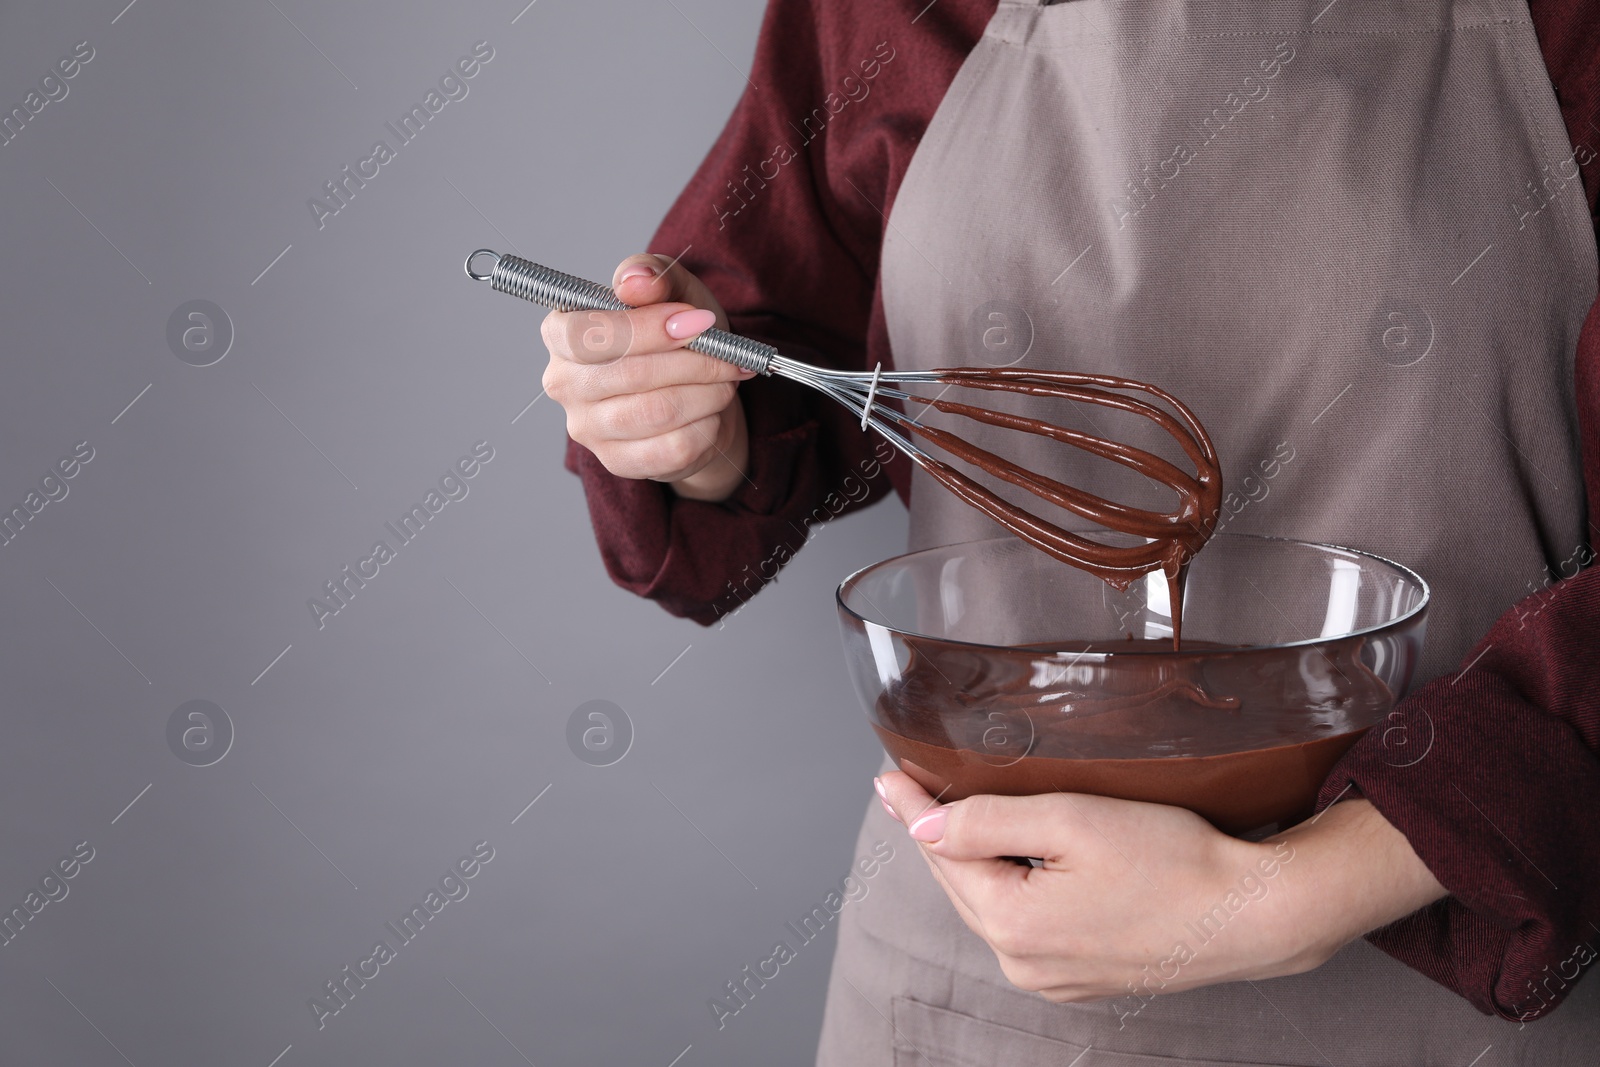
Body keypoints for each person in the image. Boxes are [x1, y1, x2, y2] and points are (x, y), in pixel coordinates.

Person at [540, 0, 1600, 1062]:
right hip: (986, 970)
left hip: (1460, 944)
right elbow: (768, 340)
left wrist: (1307, 886)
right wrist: (690, 424)